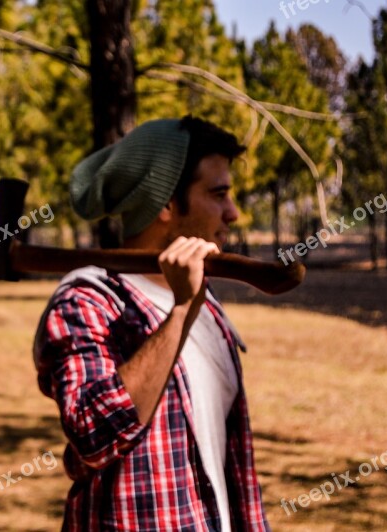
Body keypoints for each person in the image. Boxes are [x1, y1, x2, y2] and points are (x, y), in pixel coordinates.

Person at [33, 116, 270, 531]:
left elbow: (229, 460)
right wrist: (179, 312)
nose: (233, 213)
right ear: (164, 203)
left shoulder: (205, 299)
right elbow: (93, 437)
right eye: (218, 194)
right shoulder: (87, 300)